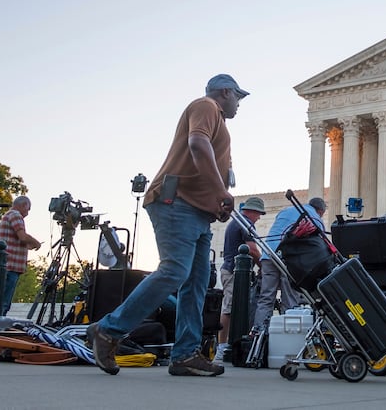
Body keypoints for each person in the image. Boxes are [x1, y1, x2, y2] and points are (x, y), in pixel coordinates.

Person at [87, 73, 249, 377]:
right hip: (176, 203)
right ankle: (108, 331)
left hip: (199, 212)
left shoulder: (219, 121)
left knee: (197, 283)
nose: (239, 104)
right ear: (225, 92)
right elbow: (197, 145)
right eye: (237, 97)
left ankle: (185, 354)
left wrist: (218, 204)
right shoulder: (206, 106)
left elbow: (206, 163)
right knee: (175, 270)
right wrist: (219, 193)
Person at [252, 197, 326, 331]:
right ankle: (287, 335)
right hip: (289, 258)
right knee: (290, 299)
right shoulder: (315, 218)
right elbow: (317, 246)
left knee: (266, 298)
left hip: (268, 254)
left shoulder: (287, 210)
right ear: (321, 211)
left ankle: (258, 333)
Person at [213, 196, 264, 364]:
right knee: (228, 308)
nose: (259, 217)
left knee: (232, 307)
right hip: (233, 271)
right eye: (259, 214)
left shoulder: (236, 222)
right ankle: (222, 347)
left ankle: (226, 344)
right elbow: (253, 250)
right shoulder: (245, 224)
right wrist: (263, 266)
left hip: (229, 269)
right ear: (252, 212)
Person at [0, 196, 42, 316]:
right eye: (27, 209)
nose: (27, 213)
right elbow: (22, 236)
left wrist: (26, 246)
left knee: (2, 300)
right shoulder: (15, 215)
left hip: (7, 264)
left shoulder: (8, 215)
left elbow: (14, 240)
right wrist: (36, 242)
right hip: (11, 265)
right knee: (4, 303)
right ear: (23, 205)